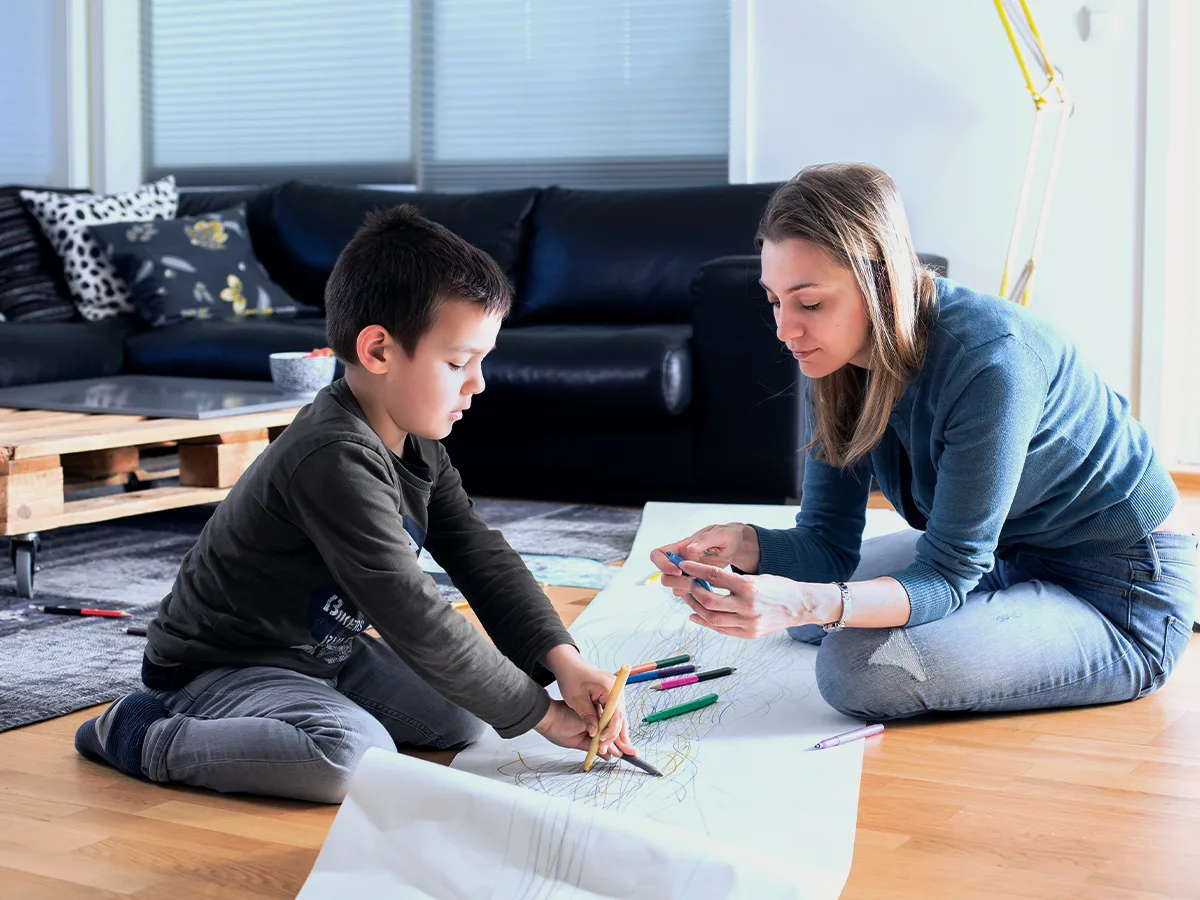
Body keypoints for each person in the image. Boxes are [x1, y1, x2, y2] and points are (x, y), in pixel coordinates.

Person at [76, 205, 634, 802]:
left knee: (465, 719)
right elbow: (412, 611)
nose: (478, 384)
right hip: (221, 664)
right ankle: (139, 733)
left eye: (481, 362)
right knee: (351, 758)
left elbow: (479, 554)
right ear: (377, 350)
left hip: (320, 653)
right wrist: (542, 717)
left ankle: (310, 705)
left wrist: (562, 661)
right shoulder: (333, 455)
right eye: (457, 362)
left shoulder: (413, 437)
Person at [652, 163, 1197, 721]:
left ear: (883, 283)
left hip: (1117, 590)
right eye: (774, 301)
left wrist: (805, 599)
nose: (785, 329)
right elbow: (827, 544)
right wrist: (745, 545)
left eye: (810, 303)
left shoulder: (992, 359)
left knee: (853, 666)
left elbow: (946, 574)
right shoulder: (835, 358)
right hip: (1002, 555)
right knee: (809, 612)